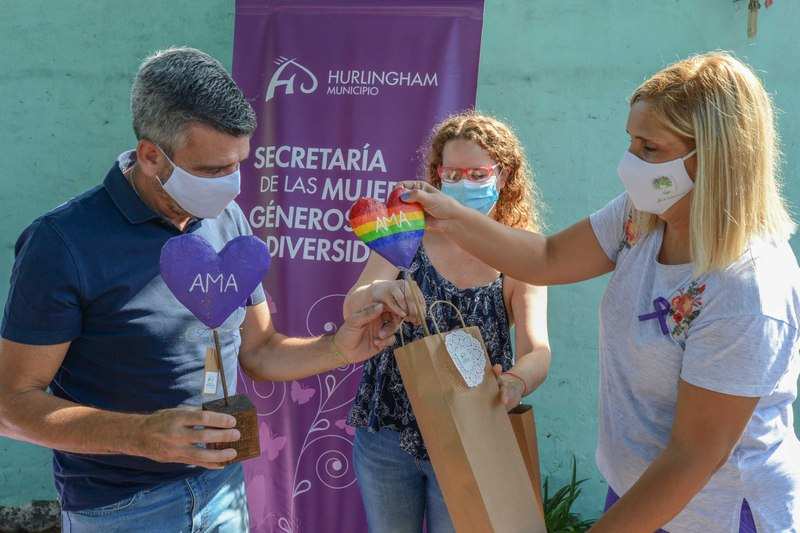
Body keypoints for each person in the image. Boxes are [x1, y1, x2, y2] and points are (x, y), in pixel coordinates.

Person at [0, 47, 401, 533]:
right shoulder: (61, 243)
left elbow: (260, 350)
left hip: (223, 490)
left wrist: (339, 347)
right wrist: (142, 435)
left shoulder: (226, 218)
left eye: (238, 165)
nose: (231, 186)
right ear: (152, 156)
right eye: (212, 171)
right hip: (122, 509)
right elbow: (11, 404)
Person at [400, 52, 800, 532]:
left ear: (715, 155)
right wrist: (446, 213)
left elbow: (693, 457)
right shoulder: (642, 217)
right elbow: (546, 257)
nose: (629, 164)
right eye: (631, 142)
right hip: (636, 494)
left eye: (650, 148)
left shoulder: (746, 290)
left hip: (713, 514)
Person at [344, 111, 551, 532]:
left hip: (471, 432)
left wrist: (515, 382)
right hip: (387, 428)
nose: (463, 183)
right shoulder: (407, 231)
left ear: (504, 175)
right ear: (436, 174)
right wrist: (378, 294)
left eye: (478, 173)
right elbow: (354, 305)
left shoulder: (521, 250)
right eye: (452, 172)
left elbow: (538, 350)